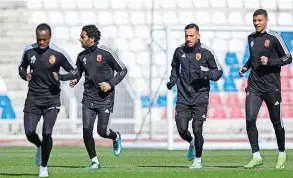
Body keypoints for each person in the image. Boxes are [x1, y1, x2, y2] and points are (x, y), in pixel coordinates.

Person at [18, 23, 79, 177]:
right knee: (29, 132)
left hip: (51, 98)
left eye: (45, 39)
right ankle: (39, 146)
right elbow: (21, 68)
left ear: (49, 38)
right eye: (39, 39)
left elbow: (75, 71)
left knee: (47, 132)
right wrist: (25, 75)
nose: (42, 42)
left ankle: (43, 167)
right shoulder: (29, 50)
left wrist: (61, 77)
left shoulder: (58, 53)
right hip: (33, 97)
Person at [239, 9, 292, 169]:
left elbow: (288, 57)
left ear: (266, 20)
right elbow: (253, 57)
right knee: (249, 119)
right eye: (254, 20)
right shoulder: (251, 38)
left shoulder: (274, 36)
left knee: (276, 122)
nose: (256, 23)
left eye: (260, 20)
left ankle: (282, 154)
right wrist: (245, 67)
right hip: (254, 86)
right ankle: (256, 156)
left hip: (272, 87)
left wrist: (270, 61)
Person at [69, 25, 127, 169]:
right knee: (87, 130)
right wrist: (75, 79)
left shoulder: (106, 53)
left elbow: (123, 70)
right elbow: (79, 72)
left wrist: (110, 84)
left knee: (102, 131)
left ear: (92, 39)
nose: (79, 39)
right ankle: (94, 161)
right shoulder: (81, 56)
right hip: (88, 99)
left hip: (105, 99)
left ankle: (116, 137)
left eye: (82, 37)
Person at [166, 23, 223, 169]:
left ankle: (198, 160)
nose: (188, 38)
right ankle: (190, 142)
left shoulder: (206, 52)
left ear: (198, 35)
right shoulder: (179, 51)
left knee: (197, 129)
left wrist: (204, 74)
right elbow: (174, 67)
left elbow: (218, 72)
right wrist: (173, 80)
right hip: (183, 97)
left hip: (200, 97)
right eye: (186, 35)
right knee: (182, 129)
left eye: (191, 35)